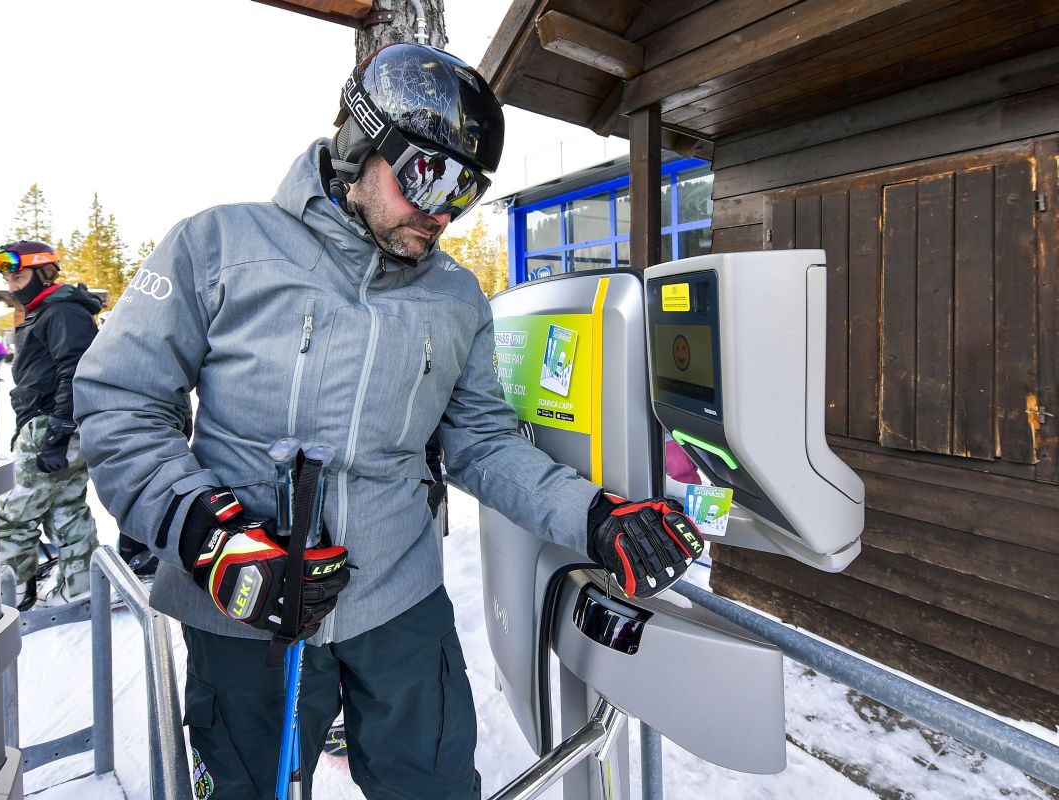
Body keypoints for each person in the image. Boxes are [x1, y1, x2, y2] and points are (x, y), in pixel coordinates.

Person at [72, 44, 704, 799]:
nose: (444, 210)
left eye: (467, 189)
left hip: (399, 608)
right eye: (428, 175)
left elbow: (481, 444)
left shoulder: (455, 298)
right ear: (360, 142)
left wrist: (593, 516)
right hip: (247, 610)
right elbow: (121, 402)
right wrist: (212, 538)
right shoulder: (219, 247)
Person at [0, 241, 102, 610]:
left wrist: (57, 432)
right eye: (8, 278)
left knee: (12, 517)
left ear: (45, 272)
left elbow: (76, 371)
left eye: (18, 275)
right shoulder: (47, 311)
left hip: (52, 425)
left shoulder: (62, 312)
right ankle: (80, 585)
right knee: (65, 507)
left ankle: (11, 593)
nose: (11, 284)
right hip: (50, 425)